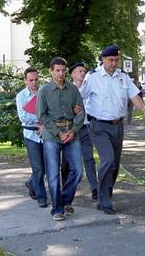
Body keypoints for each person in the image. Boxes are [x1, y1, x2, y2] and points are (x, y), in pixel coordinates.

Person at [80, 45, 145, 215]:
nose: (114, 63)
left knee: (115, 164)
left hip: (117, 126)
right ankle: (104, 199)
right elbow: (79, 95)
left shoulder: (123, 77)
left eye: (116, 60)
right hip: (98, 125)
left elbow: (133, 95)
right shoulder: (93, 77)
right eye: (110, 60)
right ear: (103, 60)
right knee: (108, 160)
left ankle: (106, 194)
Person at [37, 57, 84, 221]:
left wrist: (73, 130)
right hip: (52, 135)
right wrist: (59, 132)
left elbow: (80, 111)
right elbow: (41, 116)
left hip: (72, 132)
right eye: (57, 70)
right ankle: (57, 209)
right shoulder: (44, 91)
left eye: (63, 70)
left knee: (78, 170)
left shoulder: (73, 89)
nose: (61, 73)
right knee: (53, 174)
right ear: (51, 71)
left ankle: (64, 199)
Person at [60, 62, 98, 200]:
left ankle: (95, 188)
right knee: (67, 161)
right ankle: (65, 188)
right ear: (73, 74)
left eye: (84, 71)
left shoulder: (90, 87)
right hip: (70, 129)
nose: (83, 73)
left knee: (89, 158)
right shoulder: (68, 89)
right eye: (80, 71)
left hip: (86, 128)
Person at [16, 67, 48, 208]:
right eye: (31, 80)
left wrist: (41, 118)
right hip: (31, 134)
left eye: (36, 79)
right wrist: (40, 116)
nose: (34, 83)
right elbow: (24, 117)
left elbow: (51, 113)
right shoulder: (21, 96)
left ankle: (31, 183)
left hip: (46, 133)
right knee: (38, 168)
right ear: (25, 81)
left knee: (47, 167)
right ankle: (41, 197)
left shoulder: (45, 92)